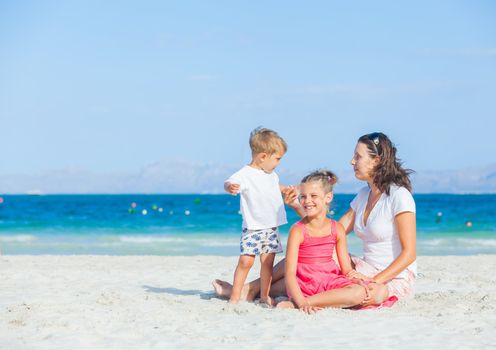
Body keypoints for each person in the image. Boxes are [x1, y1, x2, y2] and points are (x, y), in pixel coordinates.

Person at [213, 132, 417, 307]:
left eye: (358, 156)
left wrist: (374, 280)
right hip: (362, 269)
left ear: (377, 160)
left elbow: (409, 255)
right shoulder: (364, 195)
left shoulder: (399, 196)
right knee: (308, 258)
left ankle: (281, 298)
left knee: (369, 293)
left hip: (392, 277)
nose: (352, 161)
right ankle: (252, 289)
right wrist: (296, 205)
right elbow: (323, 230)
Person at [277, 170, 386, 313]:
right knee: (359, 294)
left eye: (313, 196)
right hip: (304, 282)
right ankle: (302, 303)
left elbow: (346, 269)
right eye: (303, 197)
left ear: (328, 197)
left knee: (376, 291)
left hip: (329, 279)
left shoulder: (337, 229)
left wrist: (356, 280)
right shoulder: (297, 230)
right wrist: (303, 303)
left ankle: (307, 302)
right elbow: (290, 273)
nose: (307, 201)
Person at [223, 127, 289, 305]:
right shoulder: (245, 174)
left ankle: (264, 296)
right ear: (263, 157)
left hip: (271, 226)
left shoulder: (272, 175)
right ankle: (235, 297)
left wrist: (286, 190)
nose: (278, 163)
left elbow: (275, 187)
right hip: (253, 227)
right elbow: (230, 182)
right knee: (245, 261)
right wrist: (230, 187)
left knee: (267, 263)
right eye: (277, 159)